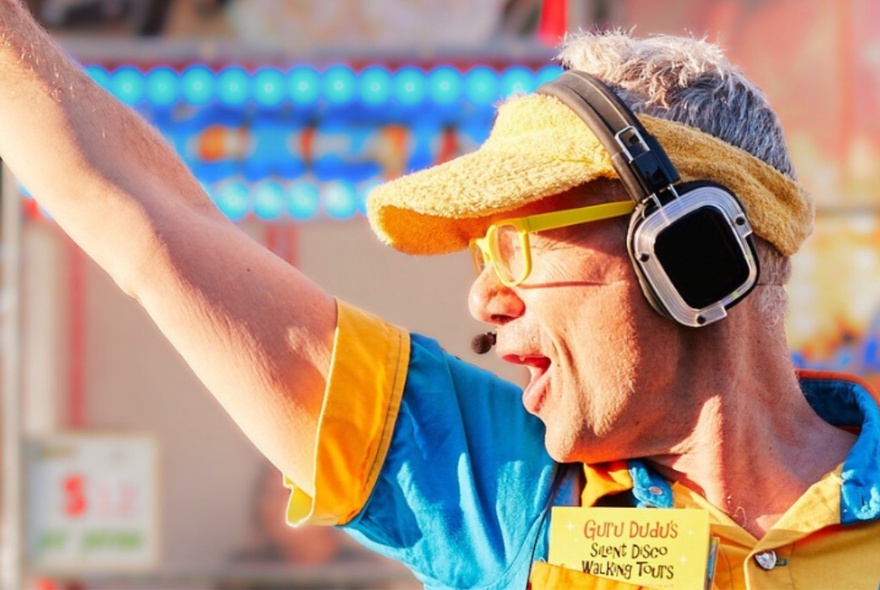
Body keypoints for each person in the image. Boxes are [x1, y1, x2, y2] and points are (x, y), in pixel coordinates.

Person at [1, 0, 878, 587]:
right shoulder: (507, 495)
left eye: (514, 244)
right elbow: (145, 217)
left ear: (687, 245)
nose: (485, 302)